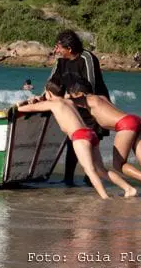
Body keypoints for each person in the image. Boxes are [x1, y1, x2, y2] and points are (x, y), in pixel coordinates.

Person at [17, 80, 136, 199]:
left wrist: (22, 104)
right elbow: (63, 98)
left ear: (48, 93)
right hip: (90, 133)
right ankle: (128, 188)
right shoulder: (69, 101)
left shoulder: (53, 104)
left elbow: (25, 109)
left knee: (89, 170)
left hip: (79, 136)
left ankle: (105, 197)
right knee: (101, 170)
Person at [67, 79, 141, 200]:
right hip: (135, 120)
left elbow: (69, 101)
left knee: (118, 164)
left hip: (125, 125)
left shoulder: (90, 100)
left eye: (72, 94)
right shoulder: (101, 97)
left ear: (80, 93)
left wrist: (61, 97)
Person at [49, 29, 110, 186]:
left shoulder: (87, 58)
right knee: (73, 141)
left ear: (69, 48)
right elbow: (53, 84)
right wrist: (45, 98)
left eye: (58, 47)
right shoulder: (60, 62)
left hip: (92, 107)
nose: (56, 50)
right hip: (75, 107)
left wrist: (75, 97)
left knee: (91, 142)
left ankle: (90, 179)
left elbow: (92, 85)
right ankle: (68, 179)